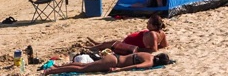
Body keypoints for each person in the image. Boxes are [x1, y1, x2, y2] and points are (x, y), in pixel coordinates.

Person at [91, 14, 168, 54]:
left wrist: (137, 49)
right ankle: (98, 44)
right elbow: (164, 45)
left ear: (154, 26)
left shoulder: (152, 34)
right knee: (111, 42)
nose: (147, 24)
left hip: (129, 45)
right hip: (129, 42)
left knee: (112, 44)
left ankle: (91, 48)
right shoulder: (162, 33)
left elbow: (154, 50)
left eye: (149, 23)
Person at [42, 52, 171, 74]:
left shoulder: (149, 55)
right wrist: (119, 70)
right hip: (114, 61)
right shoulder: (149, 61)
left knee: (82, 66)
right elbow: (136, 66)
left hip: (115, 57)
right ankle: (51, 71)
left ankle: (56, 67)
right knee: (82, 69)